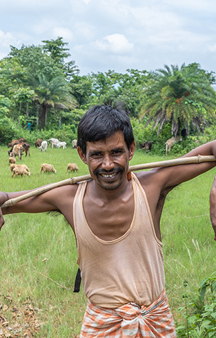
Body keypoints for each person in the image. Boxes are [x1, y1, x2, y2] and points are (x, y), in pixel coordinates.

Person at [1, 104, 216, 337]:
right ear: (82, 155)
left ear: (131, 150)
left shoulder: (152, 185)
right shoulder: (67, 197)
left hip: (155, 324)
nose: (107, 164)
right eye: (96, 154)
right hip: (101, 328)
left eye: (116, 152)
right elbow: (7, 200)